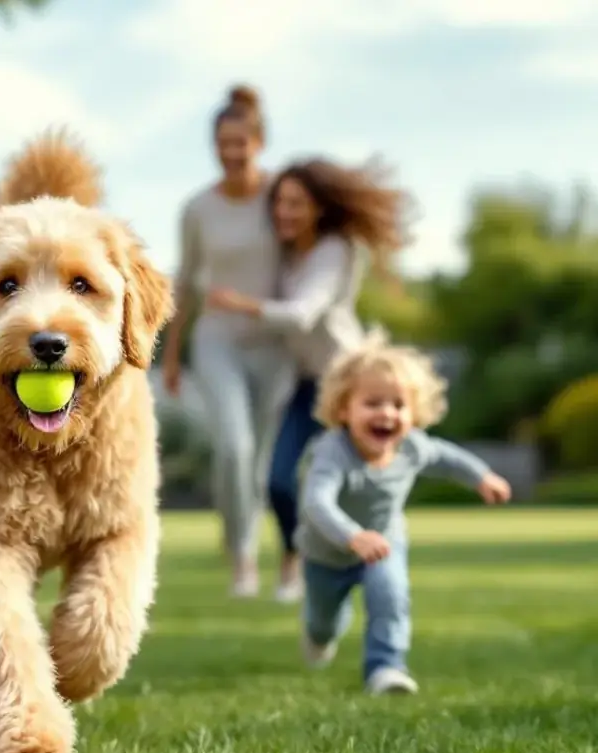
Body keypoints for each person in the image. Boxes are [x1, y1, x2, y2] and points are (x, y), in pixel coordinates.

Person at [201, 158, 406, 602]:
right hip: (308, 385)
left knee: (355, 483)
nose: (283, 213)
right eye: (279, 203)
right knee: (278, 480)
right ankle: (293, 564)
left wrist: (240, 304)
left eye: (296, 204)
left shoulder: (335, 249)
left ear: (319, 207)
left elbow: (302, 314)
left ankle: (370, 569)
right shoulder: (290, 250)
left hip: (349, 386)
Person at [296, 332, 512, 694]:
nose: (386, 413)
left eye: (398, 405)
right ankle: (320, 635)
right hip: (327, 553)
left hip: (384, 541)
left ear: (414, 413)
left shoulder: (411, 447)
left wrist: (482, 477)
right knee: (323, 625)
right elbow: (317, 502)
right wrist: (352, 536)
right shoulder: (332, 452)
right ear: (343, 408)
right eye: (373, 403)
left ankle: (385, 667)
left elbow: (446, 457)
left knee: (391, 595)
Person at [161, 85, 295, 598]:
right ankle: (243, 558)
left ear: (260, 142)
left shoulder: (280, 198)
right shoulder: (197, 208)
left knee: (260, 460)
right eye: (223, 143)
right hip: (217, 341)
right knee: (234, 447)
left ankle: (243, 531)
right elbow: (186, 281)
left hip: (274, 345)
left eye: (242, 143)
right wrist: (172, 355)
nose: (232, 153)